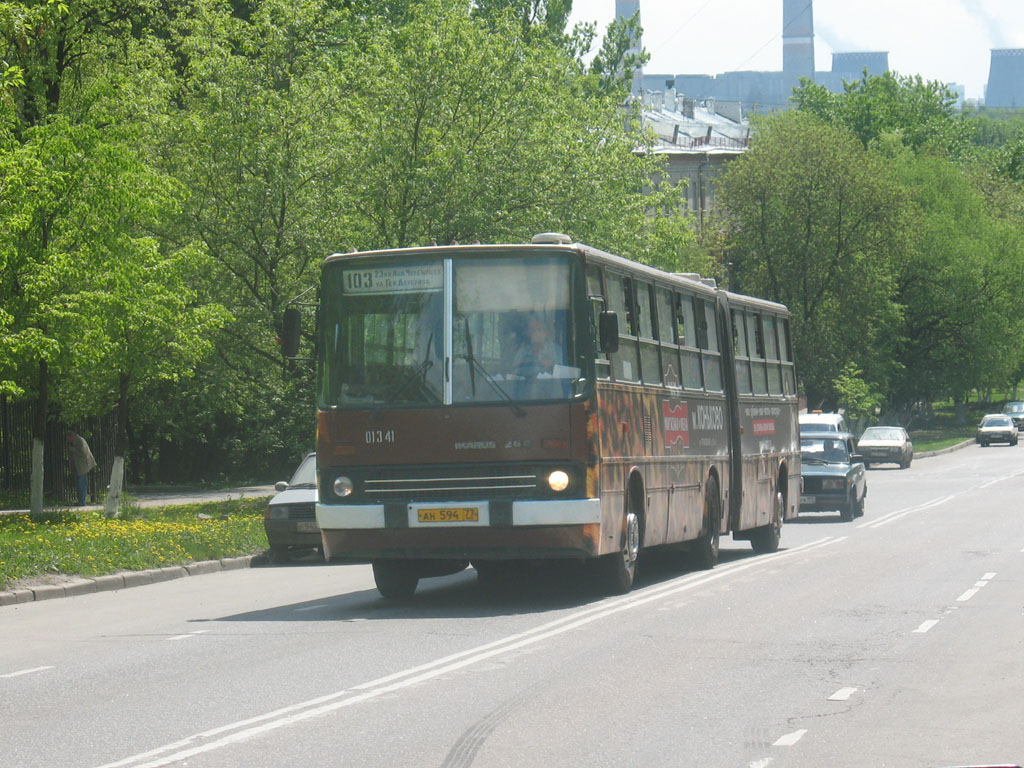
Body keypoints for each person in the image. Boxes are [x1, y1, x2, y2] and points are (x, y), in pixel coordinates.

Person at [66, 431, 96, 506]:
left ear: (72, 436)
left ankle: (82, 502)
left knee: (81, 483)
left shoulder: (80, 441)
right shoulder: (76, 441)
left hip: (83, 465)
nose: (68, 441)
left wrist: (73, 449)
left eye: (68, 439)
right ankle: (80, 501)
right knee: (79, 483)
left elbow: (83, 453)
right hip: (79, 465)